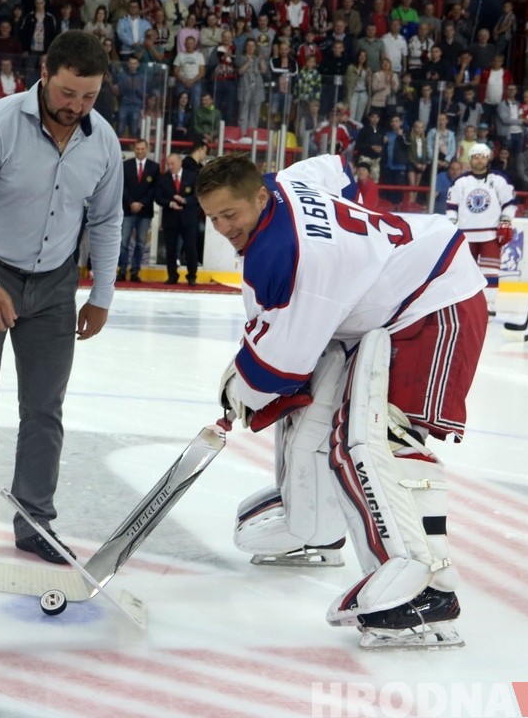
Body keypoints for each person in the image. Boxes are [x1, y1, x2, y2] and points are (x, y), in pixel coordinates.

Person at [200, 153, 485, 649]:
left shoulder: (290, 254)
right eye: (215, 218)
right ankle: (319, 522)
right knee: (331, 418)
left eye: (232, 215)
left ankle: (431, 590)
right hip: (405, 290)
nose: (225, 228)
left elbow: (280, 369)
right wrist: (360, 246)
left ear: (260, 197)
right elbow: (335, 168)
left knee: (387, 438)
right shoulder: (288, 184)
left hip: (434, 299)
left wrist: (241, 388)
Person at [0, 31, 122, 566]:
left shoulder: (102, 140)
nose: (76, 107)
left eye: (88, 96)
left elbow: (107, 221)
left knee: (45, 409)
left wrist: (101, 294)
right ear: (44, 71)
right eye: (67, 93)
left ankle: (35, 522)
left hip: (56, 284)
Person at [446, 143, 516, 316]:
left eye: (482, 156)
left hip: (490, 234)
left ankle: (488, 304)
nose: (479, 159)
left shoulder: (499, 180)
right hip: (465, 235)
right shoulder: (461, 182)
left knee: (490, 271)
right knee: (463, 272)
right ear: (470, 159)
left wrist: (505, 221)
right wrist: (453, 226)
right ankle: (462, 304)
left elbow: (510, 204)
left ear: (488, 158)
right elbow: (451, 208)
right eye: (475, 156)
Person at [156, 152, 200, 285]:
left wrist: (185, 200)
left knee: (190, 248)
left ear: (180, 162)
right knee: (171, 248)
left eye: (172, 163)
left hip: (189, 219)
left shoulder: (192, 176)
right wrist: (170, 204)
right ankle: (172, 275)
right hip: (171, 218)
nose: (170, 166)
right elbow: (159, 197)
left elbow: (198, 195)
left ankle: (192, 276)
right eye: (168, 164)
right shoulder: (163, 178)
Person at [120, 138, 158, 282]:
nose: (140, 151)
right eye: (138, 149)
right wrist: (131, 203)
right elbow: (122, 187)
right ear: (134, 149)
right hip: (128, 210)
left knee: (141, 243)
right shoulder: (125, 165)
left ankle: (135, 271)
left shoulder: (154, 167)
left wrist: (141, 203)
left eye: (143, 149)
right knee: (123, 242)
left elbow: (154, 189)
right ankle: (122, 270)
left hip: (145, 211)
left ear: (147, 149)